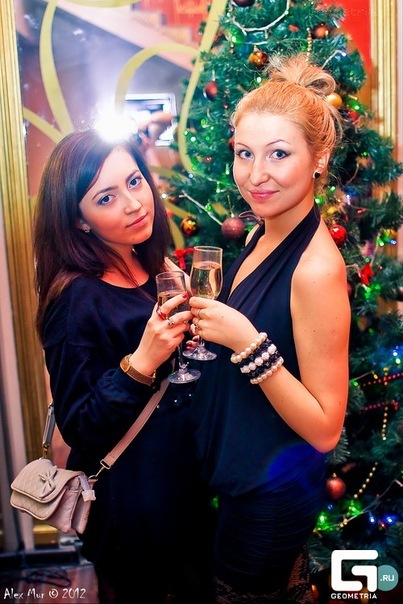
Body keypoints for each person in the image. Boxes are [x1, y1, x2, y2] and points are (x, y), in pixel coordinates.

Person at [187, 53, 351, 603]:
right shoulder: (266, 227)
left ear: (318, 158)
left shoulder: (315, 269)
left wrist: (246, 342)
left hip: (270, 497)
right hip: (242, 477)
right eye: (245, 153)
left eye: (279, 154)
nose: (256, 175)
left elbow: (326, 429)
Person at [32, 129, 213, 604]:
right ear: (79, 220)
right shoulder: (75, 297)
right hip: (135, 511)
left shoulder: (153, 266)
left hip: (185, 489)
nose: (134, 204)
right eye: (106, 197)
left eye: (134, 182)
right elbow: (80, 426)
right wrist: (142, 361)